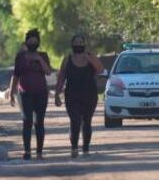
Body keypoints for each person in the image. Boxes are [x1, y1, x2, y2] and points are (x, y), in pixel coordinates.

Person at [55, 35, 104, 158]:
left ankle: (86, 149)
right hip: (72, 95)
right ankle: (74, 148)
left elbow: (100, 69)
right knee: (75, 121)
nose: (78, 44)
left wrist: (90, 58)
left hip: (89, 94)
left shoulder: (91, 57)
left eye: (81, 42)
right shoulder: (67, 59)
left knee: (87, 122)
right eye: (76, 42)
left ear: (84, 44)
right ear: (72, 45)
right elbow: (61, 77)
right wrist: (57, 94)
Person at [9, 29, 52, 160]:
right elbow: (16, 75)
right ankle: (27, 151)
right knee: (27, 121)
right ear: (26, 41)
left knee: (39, 122)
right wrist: (11, 93)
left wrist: (39, 59)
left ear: (38, 42)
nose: (33, 42)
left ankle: (39, 152)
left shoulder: (43, 55)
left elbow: (48, 72)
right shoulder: (20, 56)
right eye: (30, 40)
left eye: (35, 40)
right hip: (24, 93)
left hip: (41, 93)